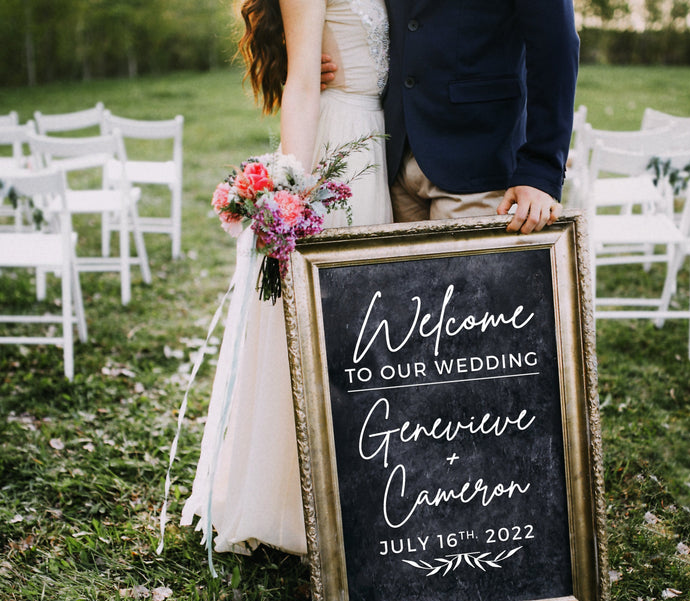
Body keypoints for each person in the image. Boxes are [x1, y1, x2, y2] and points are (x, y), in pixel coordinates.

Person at [180, 0, 392, 556]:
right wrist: (295, 191)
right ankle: (300, 504)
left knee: (367, 338)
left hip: (374, 143)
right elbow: (300, 86)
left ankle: (365, 489)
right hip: (336, 147)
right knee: (326, 328)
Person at [323, 1, 579, 233]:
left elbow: (556, 42)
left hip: (478, 159)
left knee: (467, 284)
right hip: (392, 158)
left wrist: (541, 169)